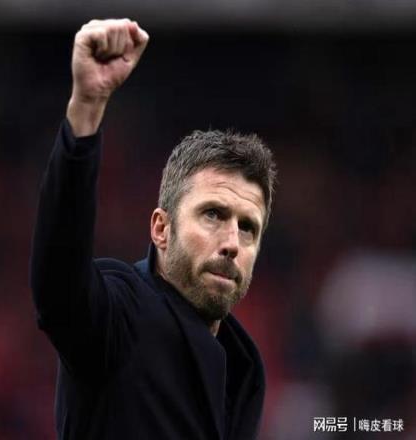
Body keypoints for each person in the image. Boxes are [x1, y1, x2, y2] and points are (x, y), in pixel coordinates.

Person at [30, 18, 277, 440]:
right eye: (213, 214)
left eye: (248, 227)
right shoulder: (120, 315)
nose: (232, 243)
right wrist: (86, 108)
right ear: (161, 229)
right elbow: (59, 282)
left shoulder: (243, 367)